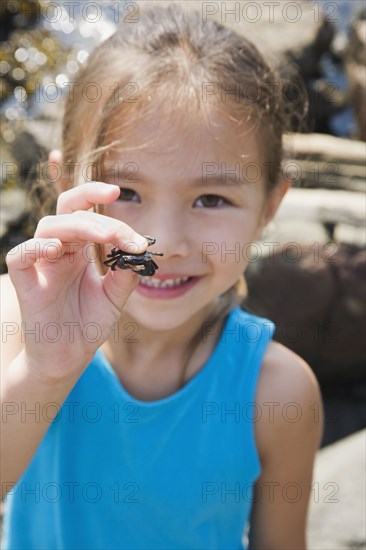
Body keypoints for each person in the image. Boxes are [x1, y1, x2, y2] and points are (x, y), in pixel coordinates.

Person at [1, 4, 323, 549]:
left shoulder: (277, 392)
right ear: (65, 185)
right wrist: (45, 371)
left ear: (270, 205)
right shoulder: (17, 323)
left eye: (211, 198)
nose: (165, 243)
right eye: (125, 193)